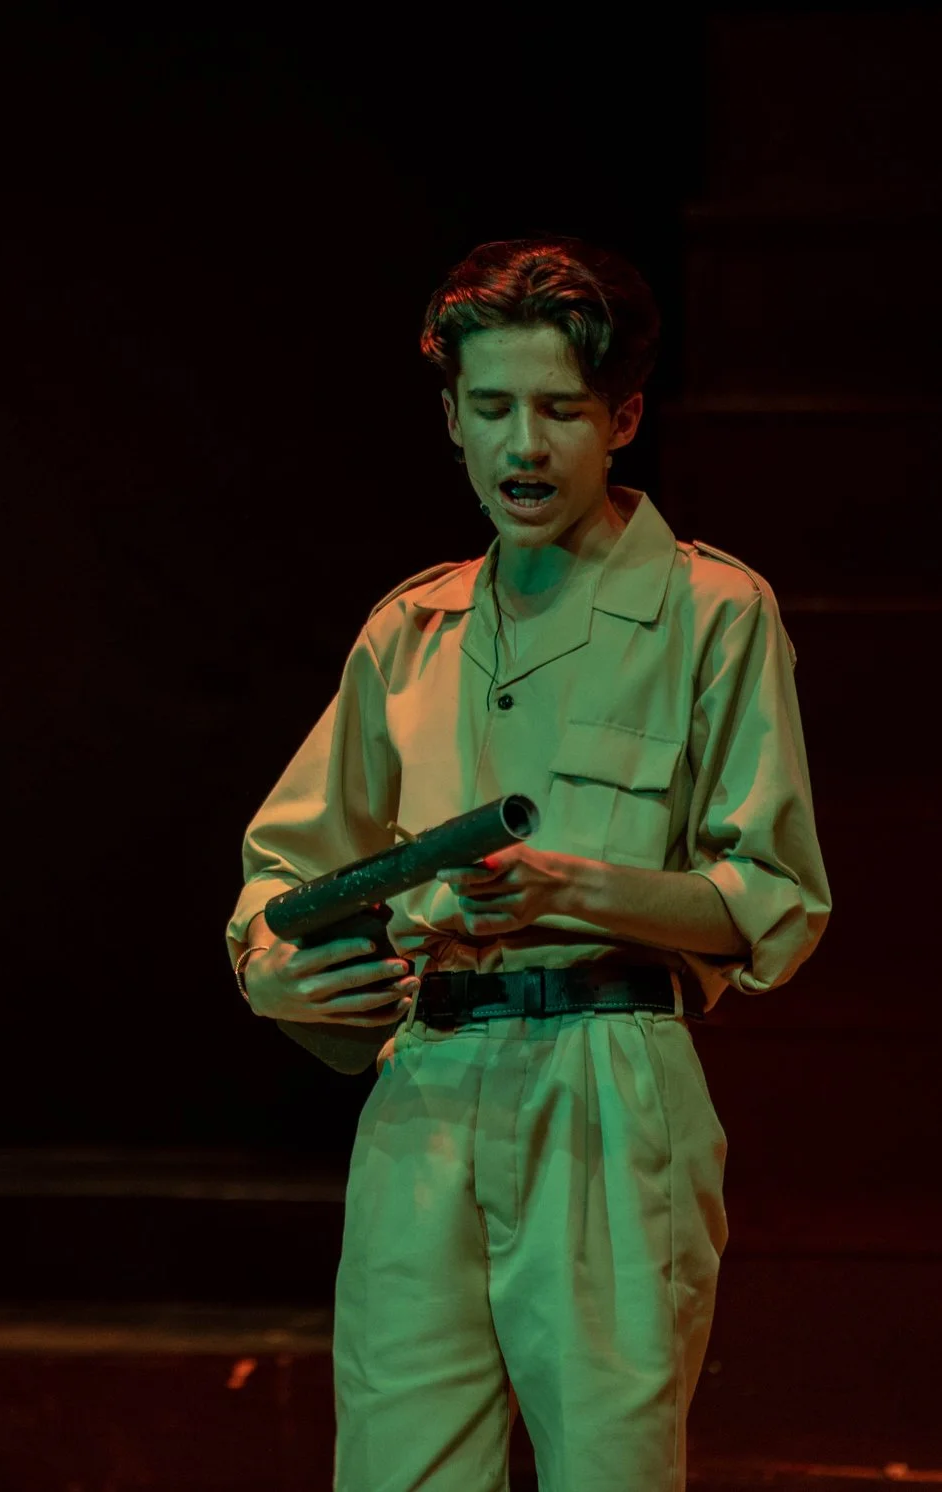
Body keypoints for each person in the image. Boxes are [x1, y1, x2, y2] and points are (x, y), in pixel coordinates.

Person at [225, 238, 831, 1489]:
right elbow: (282, 874)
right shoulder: (410, 628)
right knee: (396, 1469)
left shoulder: (712, 611)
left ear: (623, 420)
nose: (524, 445)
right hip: (426, 1084)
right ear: (451, 418)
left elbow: (770, 898)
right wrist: (270, 968)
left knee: (608, 1466)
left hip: (608, 1077)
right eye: (492, 407)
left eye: (559, 409)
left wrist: (572, 887)